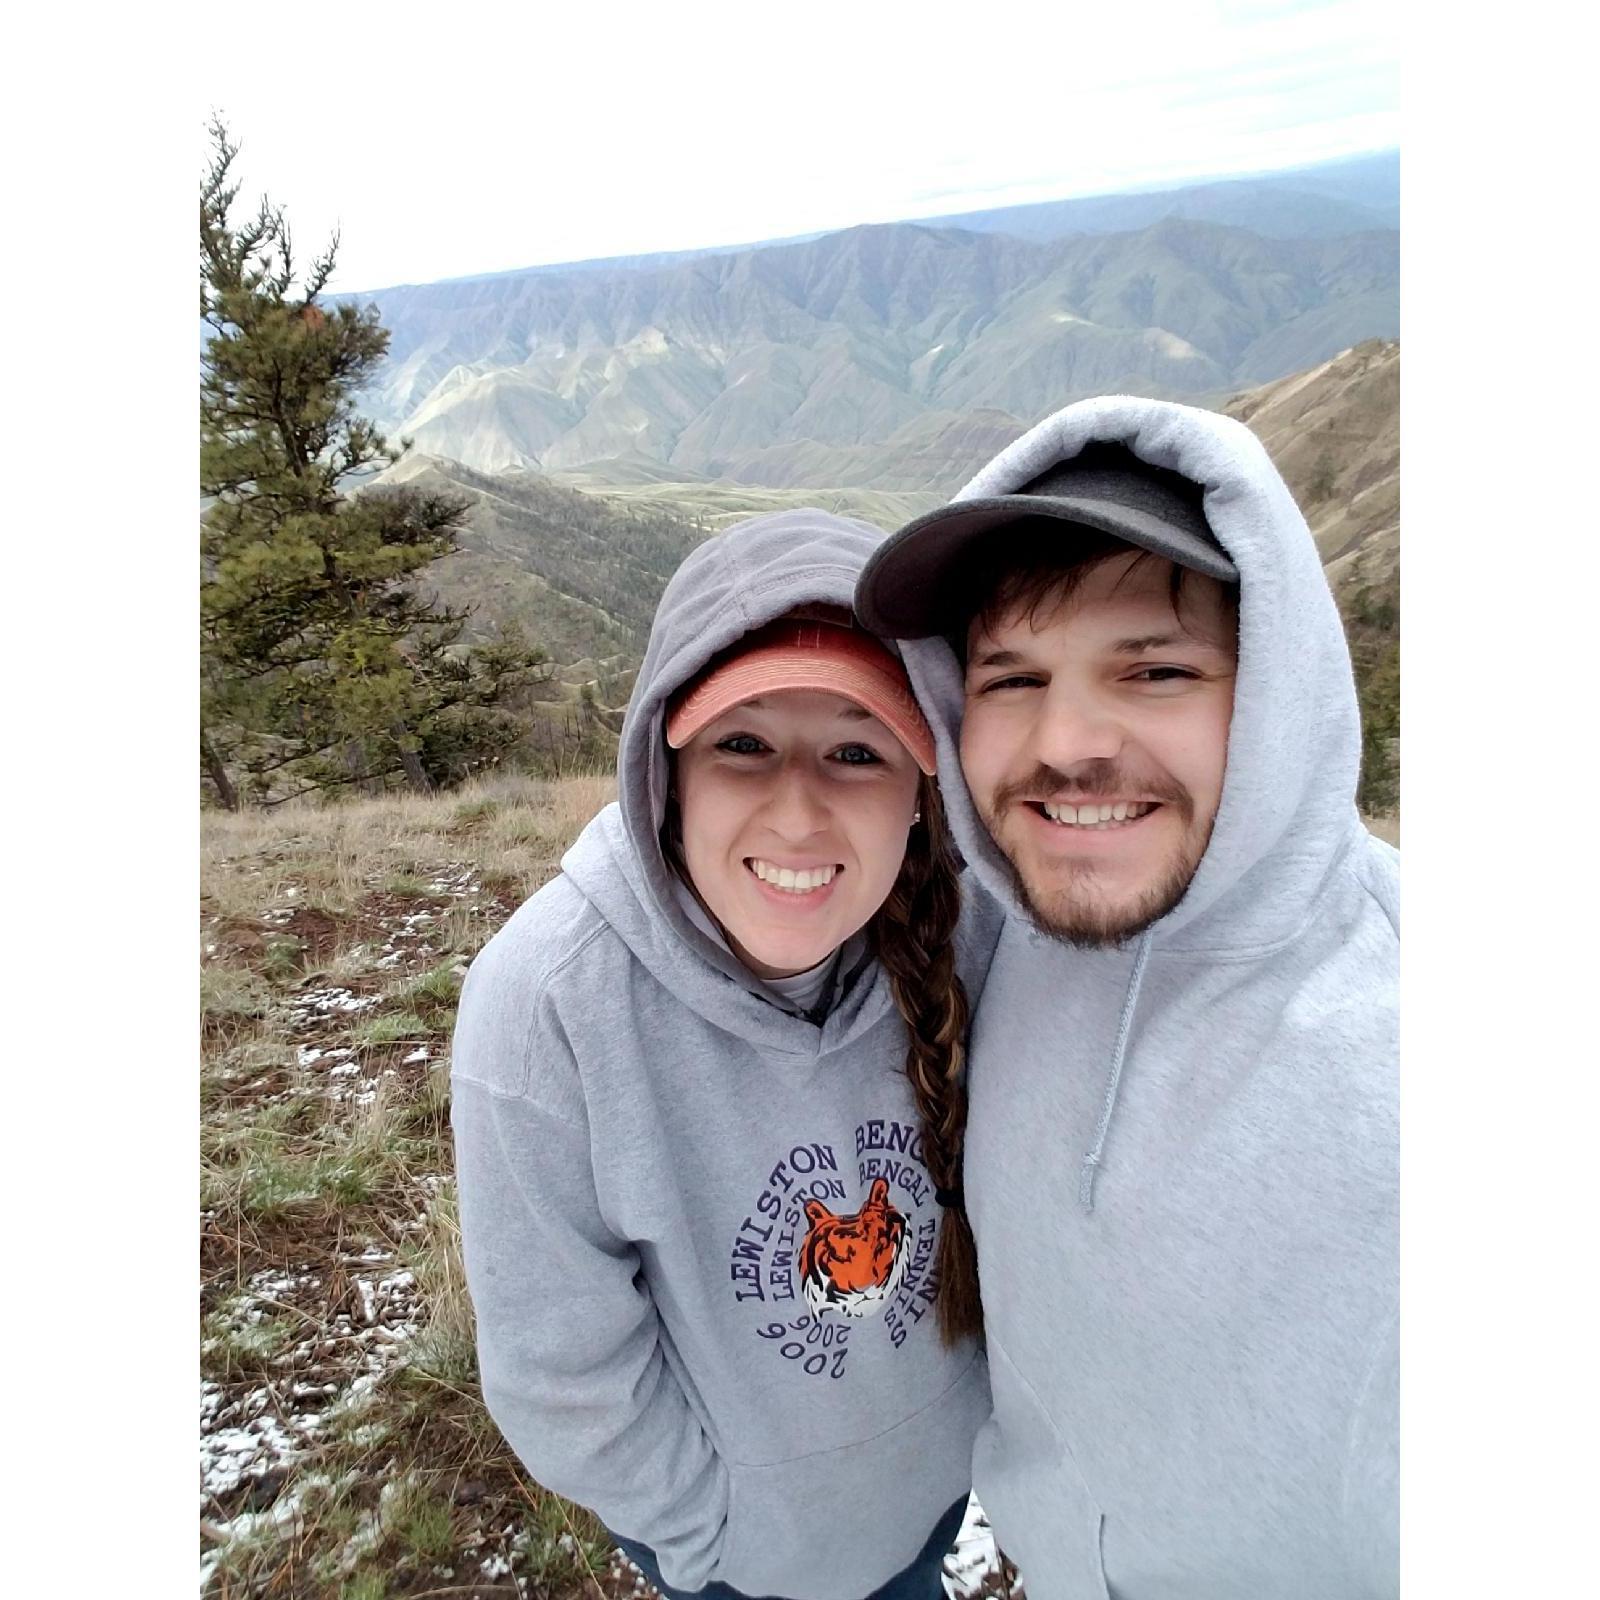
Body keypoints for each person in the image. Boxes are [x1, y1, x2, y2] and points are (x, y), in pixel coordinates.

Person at [855, 398, 1399, 1599]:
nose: (1067, 744)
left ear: (1274, 689)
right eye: (1011, 677)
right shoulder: (1008, 925)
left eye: (1153, 669)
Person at [450, 508, 1000, 1600]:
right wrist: (717, 1534)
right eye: (742, 743)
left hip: (939, 1488)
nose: (796, 812)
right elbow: (562, 1369)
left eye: (856, 750)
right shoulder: (547, 1003)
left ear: (921, 796)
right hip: (740, 1560)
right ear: (668, 775)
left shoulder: (972, 936)